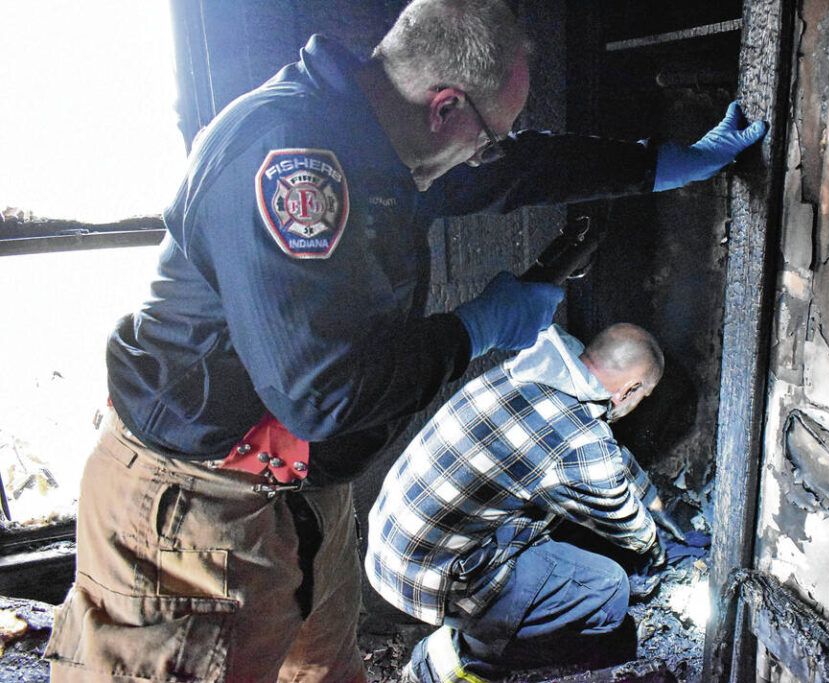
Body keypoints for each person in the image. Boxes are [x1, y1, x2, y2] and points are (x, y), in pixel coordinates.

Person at [44, 0, 765, 680]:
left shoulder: (387, 142)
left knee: (323, 671)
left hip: (302, 496)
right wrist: (475, 326)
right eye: (490, 134)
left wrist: (672, 161)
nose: (492, 152)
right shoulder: (290, 155)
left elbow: (532, 165)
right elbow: (321, 395)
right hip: (196, 505)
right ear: (445, 105)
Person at [365, 323, 686, 682]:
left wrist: (653, 501)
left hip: (390, 543)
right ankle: (462, 662)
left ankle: (471, 633)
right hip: (429, 577)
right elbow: (624, 521)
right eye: (643, 396)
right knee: (607, 588)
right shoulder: (579, 440)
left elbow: (605, 455)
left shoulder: (536, 366)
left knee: (555, 524)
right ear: (630, 390)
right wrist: (652, 540)